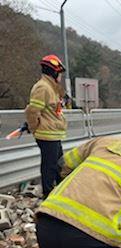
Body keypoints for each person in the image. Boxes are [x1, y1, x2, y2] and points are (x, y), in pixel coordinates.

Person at [25, 54, 67, 198]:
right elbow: (33, 111)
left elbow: (53, 110)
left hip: (53, 134)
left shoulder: (51, 87)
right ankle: (48, 194)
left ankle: (61, 191)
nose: (60, 77)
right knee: (49, 166)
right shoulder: (42, 87)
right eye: (59, 73)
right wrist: (34, 128)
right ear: (53, 72)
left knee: (59, 165)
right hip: (46, 134)